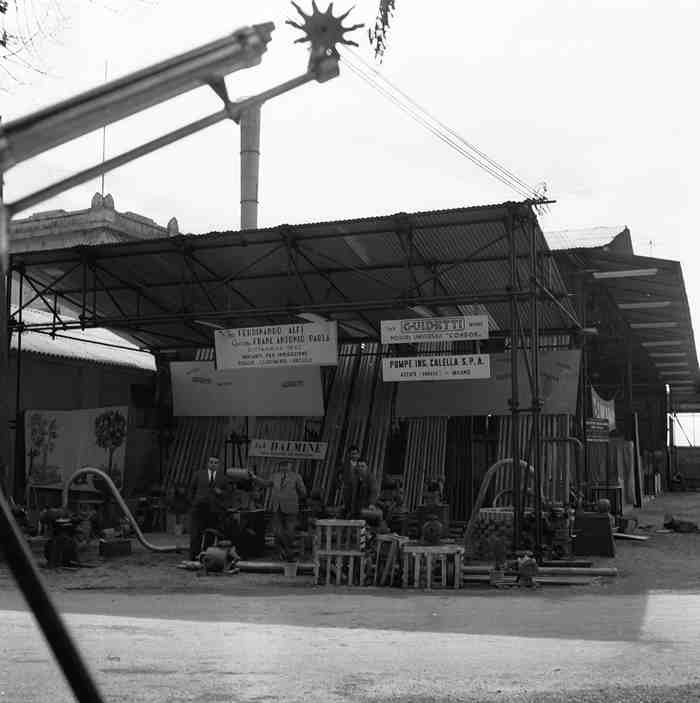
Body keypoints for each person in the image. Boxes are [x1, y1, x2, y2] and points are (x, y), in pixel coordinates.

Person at [260, 460, 307, 562]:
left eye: (286, 465)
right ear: (279, 466)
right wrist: (254, 478)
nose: (284, 467)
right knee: (277, 532)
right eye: (282, 465)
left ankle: (287, 553)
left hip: (291, 507)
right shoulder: (274, 476)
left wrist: (293, 498)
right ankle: (283, 553)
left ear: (290, 466)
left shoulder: (296, 476)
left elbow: (303, 492)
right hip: (276, 507)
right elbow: (265, 484)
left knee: (290, 532)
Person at [188, 456, 229, 560]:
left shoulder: (223, 478)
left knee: (210, 535)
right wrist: (194, 503)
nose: (213, 464)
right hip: (199, 509)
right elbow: (191, 490)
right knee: (196, 534)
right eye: (211, 462)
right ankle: (194, 557)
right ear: (207, 463)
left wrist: (221, 493)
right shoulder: (198, 474)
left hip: (214, 511)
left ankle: (207, 557)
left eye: (215, 463)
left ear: (219, 465)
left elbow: (228, 494)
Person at [340, 444, 361, 517]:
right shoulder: (345, 464)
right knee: (347, 504)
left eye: (356, 454)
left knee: (357, 505)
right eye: (352, 454)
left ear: (358, 454)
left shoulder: (362, 464)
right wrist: (340, 483)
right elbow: (338, 474)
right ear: (349, 455)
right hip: (347, 488)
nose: (354, 456)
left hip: (358, 488)